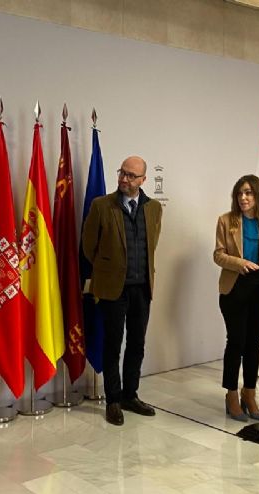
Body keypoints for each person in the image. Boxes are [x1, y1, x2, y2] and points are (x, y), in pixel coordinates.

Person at [82, 155, 162, 426]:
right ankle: (113, 399)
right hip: (113, 288)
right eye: (122, 173)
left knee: (137, 344)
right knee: (112, 344)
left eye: (131, 176)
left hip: (142, 288)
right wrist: (109, 268)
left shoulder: (153, 209)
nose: (124, 179)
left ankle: (130, 395)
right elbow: (88, 246)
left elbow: (153, 243)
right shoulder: (102, 205)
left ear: (143, 181)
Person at [214, 174, 259, 422]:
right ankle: (231, 395)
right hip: (234, 288)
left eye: (248, 193)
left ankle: (250, 393)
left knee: (254, 343)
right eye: (239, 193)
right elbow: (219, 255)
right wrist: (240, 262)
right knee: (236, 341)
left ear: (257, 195)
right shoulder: (226, 221)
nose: (243, 198)